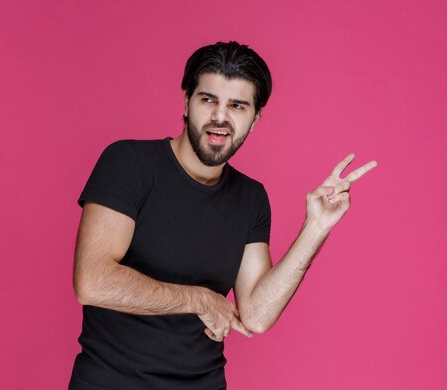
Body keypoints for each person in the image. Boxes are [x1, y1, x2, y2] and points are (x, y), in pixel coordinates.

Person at [68, 41, 377, 389]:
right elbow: (92, 281)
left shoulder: (250, 197)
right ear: (186, 101)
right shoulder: (129, 163)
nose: (220, 117)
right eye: (208, 99)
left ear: (255, 118)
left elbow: (256, 316)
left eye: (237, 105)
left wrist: (315, 228)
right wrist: (200, 299)